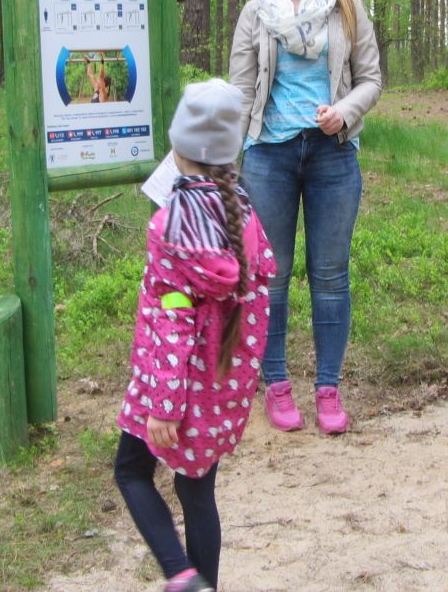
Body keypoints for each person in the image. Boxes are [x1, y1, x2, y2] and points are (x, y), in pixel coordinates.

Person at [113, 79, 277, 592]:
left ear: (178, 147)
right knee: (198, 493)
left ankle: (182, 575)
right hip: (220, 387)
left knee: (130, 472)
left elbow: (172, 321)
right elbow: (257, 311)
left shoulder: (171, 226)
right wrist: (236, 391)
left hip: (169, 389)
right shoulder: (245, 215)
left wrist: (164, 405)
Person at [228, 0, 382, 434]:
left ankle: (328, 389)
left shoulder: (347, 7)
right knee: (269, 277)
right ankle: (275, 383)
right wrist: (225, 161)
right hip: (268, 157)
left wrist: (345, 111)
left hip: (332, 155)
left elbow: (371, 79)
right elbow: (240, 90)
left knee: (331, 276)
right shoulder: (256, 13)